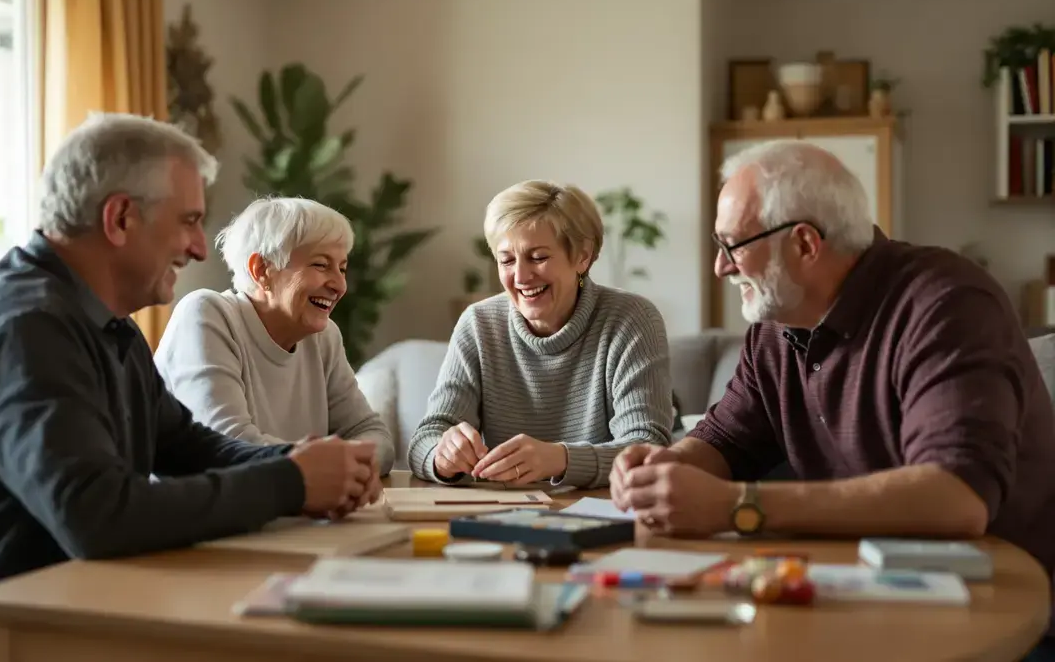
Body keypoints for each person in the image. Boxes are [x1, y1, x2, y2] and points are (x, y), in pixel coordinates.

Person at [0, 113, 381, 662]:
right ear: (121, 218)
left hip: (83, 611)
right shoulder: (25, 328)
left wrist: (301, 463)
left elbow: (190, 448)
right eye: (189, 221)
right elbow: (98, 516)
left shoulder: (107, 324)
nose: (201, 248)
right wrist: (291, 481)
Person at [609, 140, 1055, 660]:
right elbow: (725, 439)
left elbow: (956, 497)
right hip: (866, 597)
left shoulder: (945, 304)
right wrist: (664, 470)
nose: (720, 267)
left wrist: (737, 507)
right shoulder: (777, 327)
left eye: (733, 245)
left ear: (804, 244)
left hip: (1000, 616)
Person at [407, 180, 675, 488]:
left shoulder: (631, 319)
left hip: (604, 513)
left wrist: (559, 459)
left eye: (538, 257)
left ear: (583, 257)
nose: (520, 277)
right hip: (500, 514)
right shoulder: (478, 324)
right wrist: (442, 457)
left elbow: (647, 448)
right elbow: (424, 441)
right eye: (507, 260)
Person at [154, 197, 395, 474]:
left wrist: (341, 468)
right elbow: (228, 446)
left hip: (291, 511)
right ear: (262, 270)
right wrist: (329, 468)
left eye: (342, 268)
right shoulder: (207, 315)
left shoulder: (324, 337)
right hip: (201, 515)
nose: (340, 285)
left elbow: (372, 434)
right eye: (321, 265)